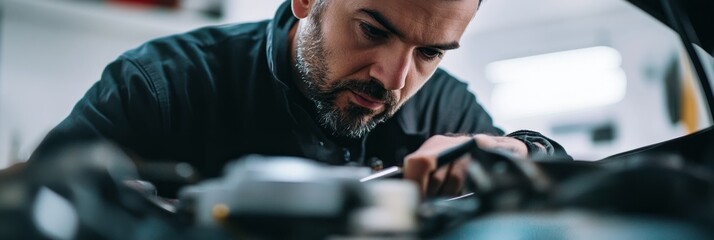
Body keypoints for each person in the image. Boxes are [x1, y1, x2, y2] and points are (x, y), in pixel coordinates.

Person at [30, 0, 570, 197]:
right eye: (372, 29)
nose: (394, 78)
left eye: (429, 52)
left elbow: (565, 189)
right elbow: (34, 207)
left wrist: (522, 151)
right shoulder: (160, 86)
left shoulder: (441, 108)